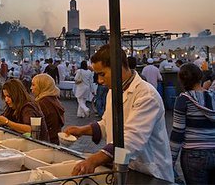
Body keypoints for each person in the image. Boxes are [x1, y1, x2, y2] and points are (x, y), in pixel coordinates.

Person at [64, 44, 173, 182]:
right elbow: (107, 123)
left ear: (118, 67)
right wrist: (82, 130)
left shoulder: (146, 95)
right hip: (125, 169)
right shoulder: (113, 91)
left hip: (149, 173)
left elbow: (131, 139)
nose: (100, 80)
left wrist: (94, 160)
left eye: (102, 74)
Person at [169, 63, 215, 185]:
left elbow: (178, 133)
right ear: (200, 77)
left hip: (193, 155)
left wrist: (171, 160)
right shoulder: (213, 96)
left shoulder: (183, 100)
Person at [31, 74, 65, 144]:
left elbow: (36, 128)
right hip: (54, 141)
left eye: (33, 85)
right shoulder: (53, 100)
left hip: (46, 143)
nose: (31, 88)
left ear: (42, 86)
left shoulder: (43, 103)